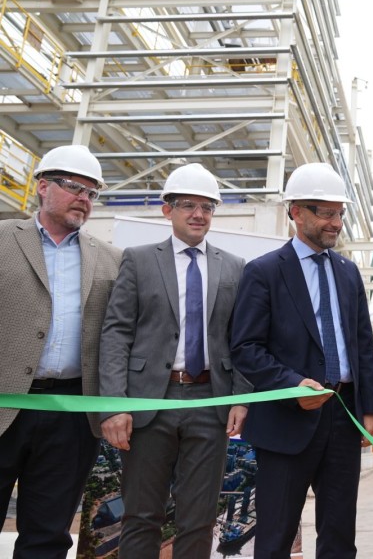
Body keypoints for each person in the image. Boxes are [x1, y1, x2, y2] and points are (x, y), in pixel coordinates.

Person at [230, 162, 373, 559]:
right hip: (286, 421)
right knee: (276, 537)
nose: (336, 223)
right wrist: (292, 385)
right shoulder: (264, 272)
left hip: (343, 417)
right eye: (326, 213)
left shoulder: (348, 273)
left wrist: (371, 407)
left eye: (340, 213)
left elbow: (362, 345)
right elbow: (245, 347)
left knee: (339, 537)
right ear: (296, 212)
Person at [99, 163, 250, 557]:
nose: (198, 214)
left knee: (199, 518)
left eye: (207, 207)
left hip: (210, 403)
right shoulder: (138, 260)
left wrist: (240, 398)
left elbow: (242, 339)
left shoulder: (234, 267)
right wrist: (114, 403)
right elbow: (116, 332)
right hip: (148, 403)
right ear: (168, 210)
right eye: (188, 205)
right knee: (141, 515)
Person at [0, 145, 122, 557]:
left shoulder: (110, 260)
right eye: (75, 188)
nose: (84, 199)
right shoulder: (3, 239)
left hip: (71, 414)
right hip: (3, 403)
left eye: (92, 193)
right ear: (43, 187)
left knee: (48, 534)